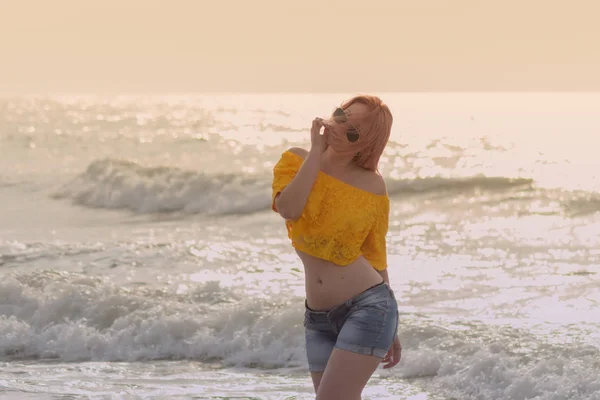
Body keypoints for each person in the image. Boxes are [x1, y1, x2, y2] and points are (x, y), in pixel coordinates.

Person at [271, 95, 401, 400]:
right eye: (341, 115)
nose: (340, 127)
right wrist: (316, 153)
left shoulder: (372, 184)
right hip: (317, 316)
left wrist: (391, 327)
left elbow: (375, 254)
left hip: (368, 308)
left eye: (353, 131)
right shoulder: (296, 159)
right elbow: (289, 207)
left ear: (366, 144)